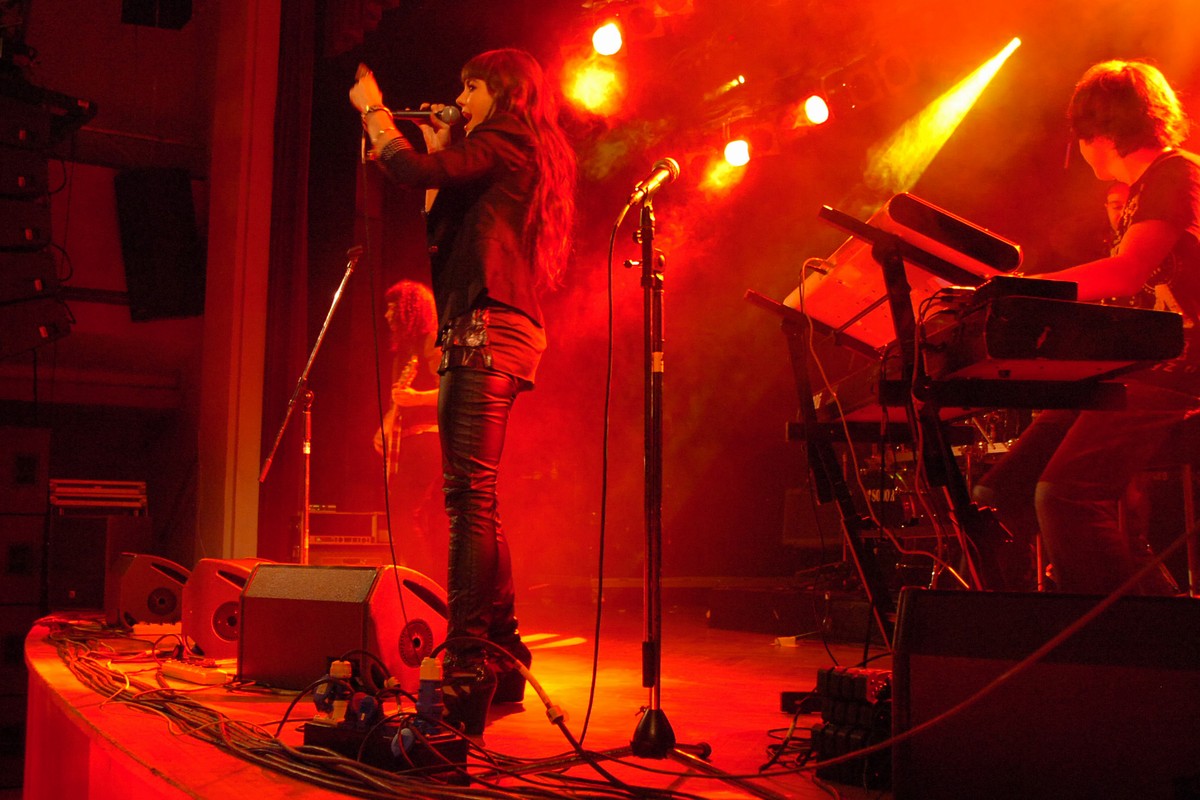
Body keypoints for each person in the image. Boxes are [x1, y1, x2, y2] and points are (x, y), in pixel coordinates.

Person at [349, 49, 577, 734]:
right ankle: (502, 653)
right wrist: (440, 143)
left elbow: (409, 172)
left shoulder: (507, 135)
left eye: (470, 87)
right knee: (478, 496)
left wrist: (374, 112)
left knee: (467, 498)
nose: (462, 97)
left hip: (486, 328)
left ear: (502, 91)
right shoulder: (507, 150)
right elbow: (439, 215)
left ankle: (469, 661)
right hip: (493, 327)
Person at [972, 59, 1200, 595]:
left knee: (1064, 495)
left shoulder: (1177, 173)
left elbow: (1126, 273)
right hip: (1143, 370)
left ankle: (1136, 632)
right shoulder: (1143, 188)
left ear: (1101, 132)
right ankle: (1132, 601)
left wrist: (1023, 289)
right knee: (1002, 492)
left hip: (1183, 373)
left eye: (1080, 139)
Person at [372, 279, 444, 581]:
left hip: (430, 438)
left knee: (402, 513)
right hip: (409, 442)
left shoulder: (432, 341)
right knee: (408, 515)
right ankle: (419, 582)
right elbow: (398, 401)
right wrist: (386, 425)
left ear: (410, 310)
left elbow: (452, 389)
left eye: (393, 308)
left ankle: (420, 584)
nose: (387, 315)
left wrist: (417, 398)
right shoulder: (402, 352)